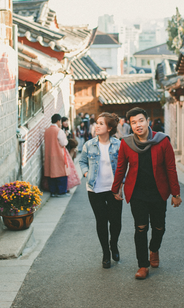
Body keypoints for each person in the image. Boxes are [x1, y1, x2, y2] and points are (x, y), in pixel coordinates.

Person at [112, 107, 181, 280]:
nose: (138, 125)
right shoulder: (126, 143)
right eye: (133, 122)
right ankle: (143, 265)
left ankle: (154, 249)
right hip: (137, 193)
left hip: (158, 192)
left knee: (159, 227)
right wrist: (116, 187)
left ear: (148, 121)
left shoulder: (162, 141)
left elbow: (171, 168)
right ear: (130, 125)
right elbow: (121, 167)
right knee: (140, 228)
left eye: (141, 120)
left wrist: (175, 193)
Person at [80, 113, 123, 269]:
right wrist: (86, 173)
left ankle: (114, 244)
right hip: (95, 189)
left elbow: (125, 166)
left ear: (109, 128)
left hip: (114, 190)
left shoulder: (119, 145)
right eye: (96, 123)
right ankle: (106, 253)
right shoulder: (89, 145)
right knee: (101, 221)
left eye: (101, 123)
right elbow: (82, 161)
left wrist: (122, 185)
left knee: (116, 222)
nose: (96, 126)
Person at [44, 113, 69, 197]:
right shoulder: (59, 131)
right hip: (58, 154)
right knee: (61, 173)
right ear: (58, 121)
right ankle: (61, 191)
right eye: (60, 122)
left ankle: (52, 191)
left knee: (51, 174)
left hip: (48, 155)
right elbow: (63, 143)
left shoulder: (46, 131)